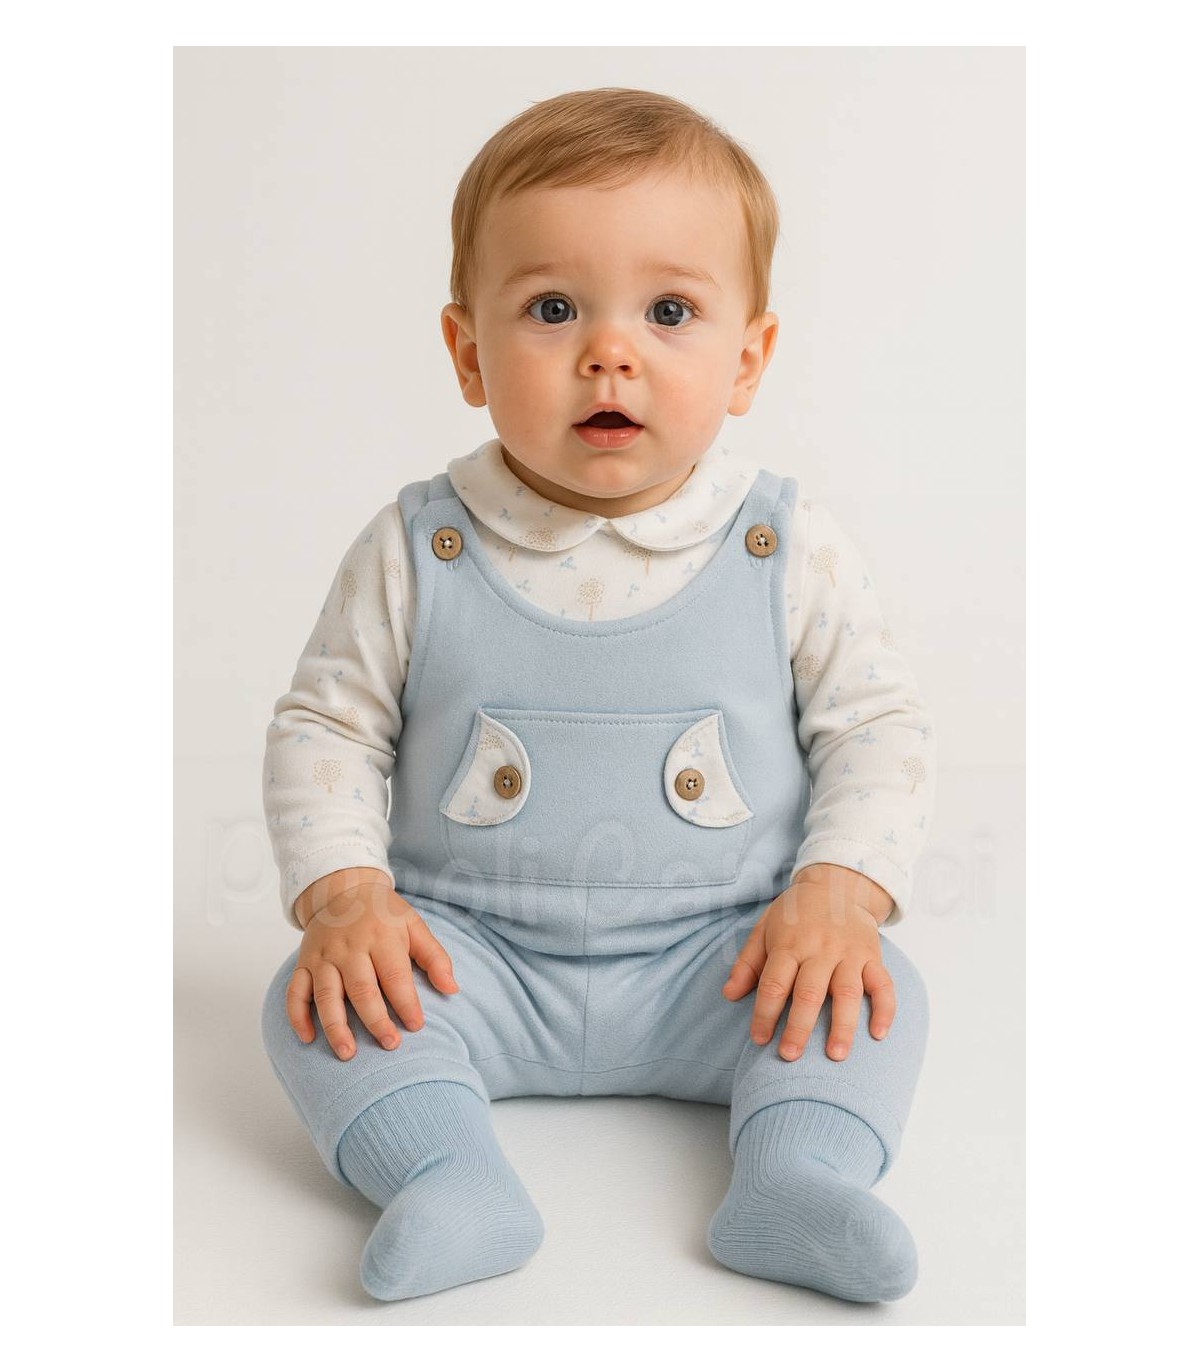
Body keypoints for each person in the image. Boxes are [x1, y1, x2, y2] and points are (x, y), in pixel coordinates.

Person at [260, 87, 936, 1306]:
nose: (608, 352)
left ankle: (798, 1174)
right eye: (552, 308)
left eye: (669, 311)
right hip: (470, 957)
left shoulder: (785, 547)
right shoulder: (419, 547)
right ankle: (447, 1174)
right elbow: (328, 726)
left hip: (725, 959)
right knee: (316, 1005)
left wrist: (837, 894)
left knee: (874, 993)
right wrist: (349, 897)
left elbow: (875, 729)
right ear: (468, 353)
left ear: (748, 358)